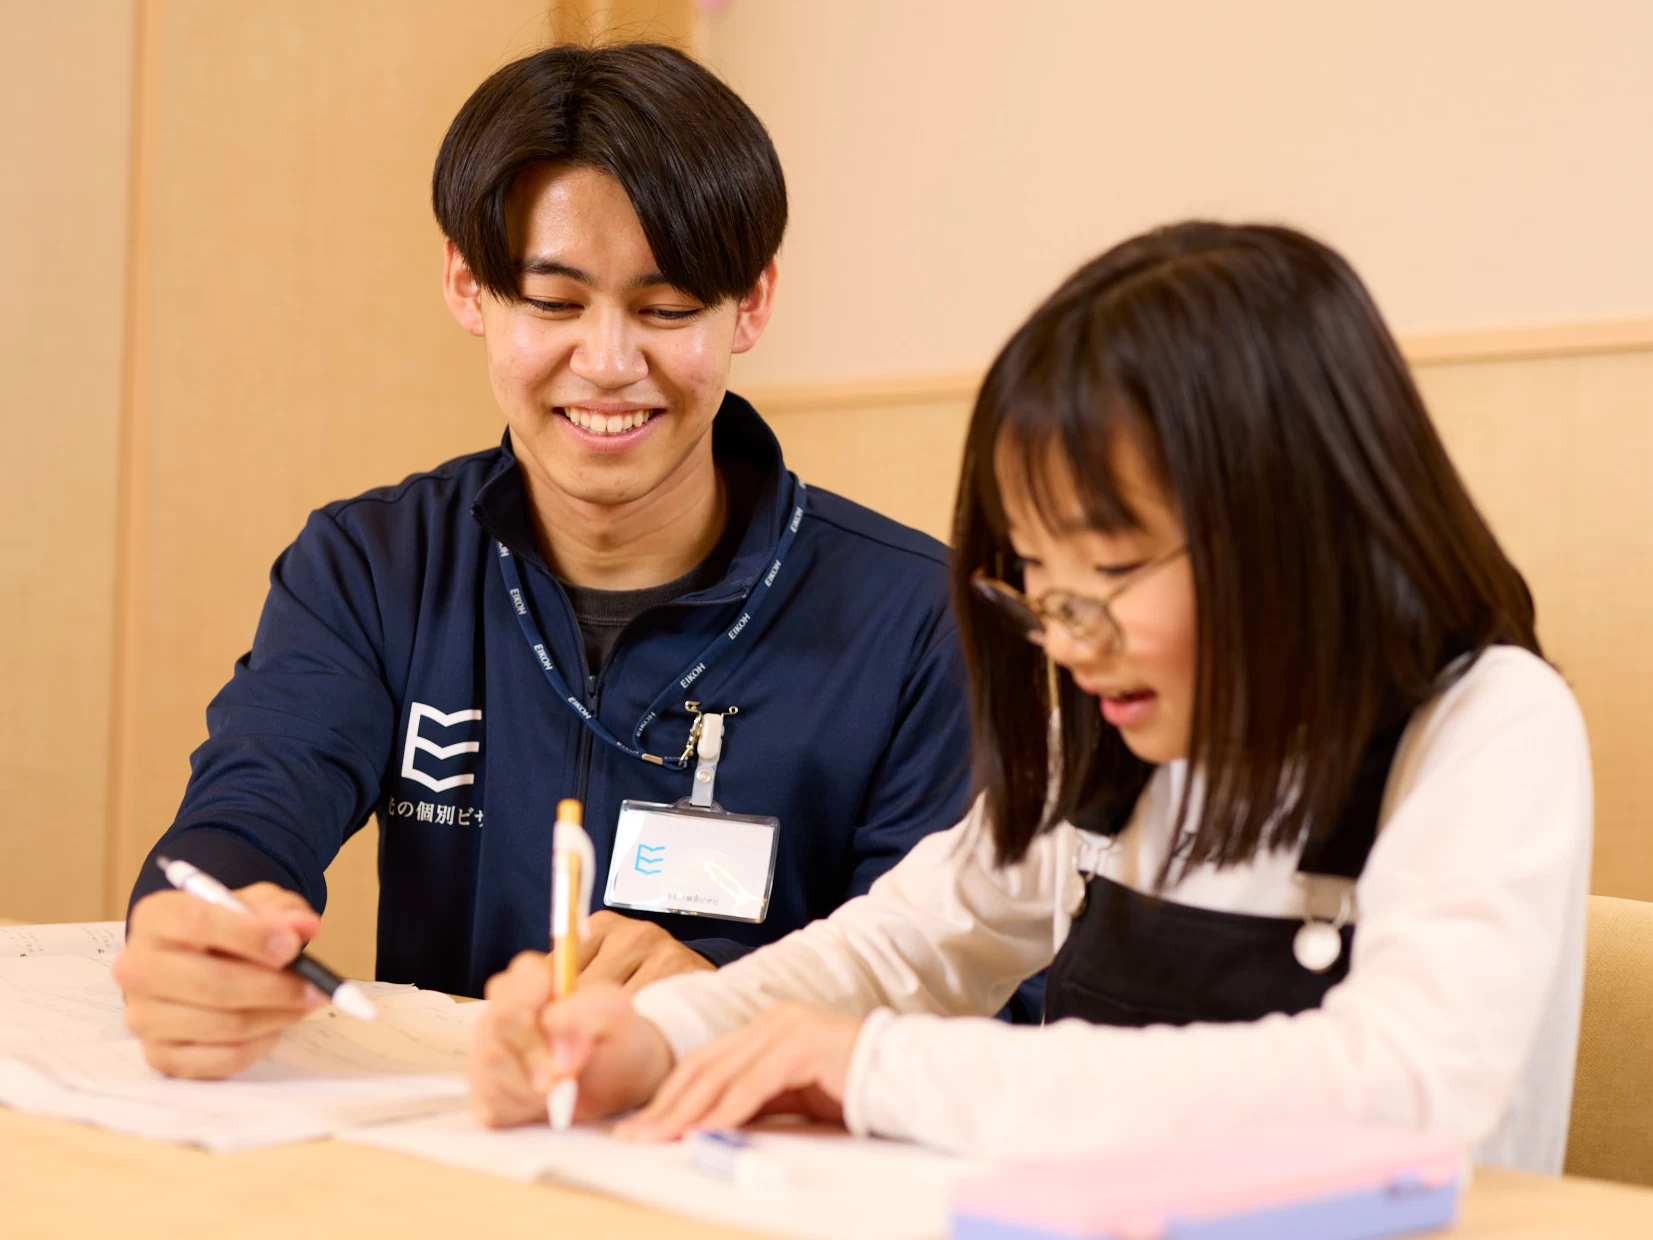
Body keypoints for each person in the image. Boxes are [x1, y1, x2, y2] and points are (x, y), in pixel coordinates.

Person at [469, 221, 1592, 1175]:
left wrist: (879, 1066)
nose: (1066, 641)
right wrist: (653, 1041)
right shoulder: (1117, 743)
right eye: (1037, 586)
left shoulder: (1484, 730)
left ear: (1292, 529)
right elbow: (898, 946)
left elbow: (1401, 1089)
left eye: (1107, 574)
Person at [114, 42, 996, 1081]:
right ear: (467, 285)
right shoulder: (376, 566)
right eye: (555, 302)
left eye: (667, 308)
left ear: (750, 304)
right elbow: (250, 810)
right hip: (455, 1153)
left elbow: (974, 984)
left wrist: (721, 1004)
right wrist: (204, 925)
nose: (611, 363)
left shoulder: (917, 620)